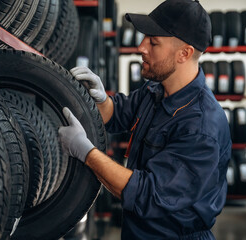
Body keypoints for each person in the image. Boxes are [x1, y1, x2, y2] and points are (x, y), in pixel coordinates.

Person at [58, 0, 232, 239]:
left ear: (184, 53)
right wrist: (99, 99)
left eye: (153, 42)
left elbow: (146, 194)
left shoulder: (201, 127)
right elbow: (118, 114)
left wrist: (86, 152)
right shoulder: (156, 92)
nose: (140, 47)